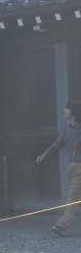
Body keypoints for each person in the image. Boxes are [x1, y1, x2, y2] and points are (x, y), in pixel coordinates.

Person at [36, 101, 81, 236]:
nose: (64, 111)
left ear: (73, 112)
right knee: (77, 196)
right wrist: (43, 155)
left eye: (66, 109)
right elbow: (56, 145)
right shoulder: (66, 129)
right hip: (72, 169)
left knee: (72, 197)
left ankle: (62, 224)